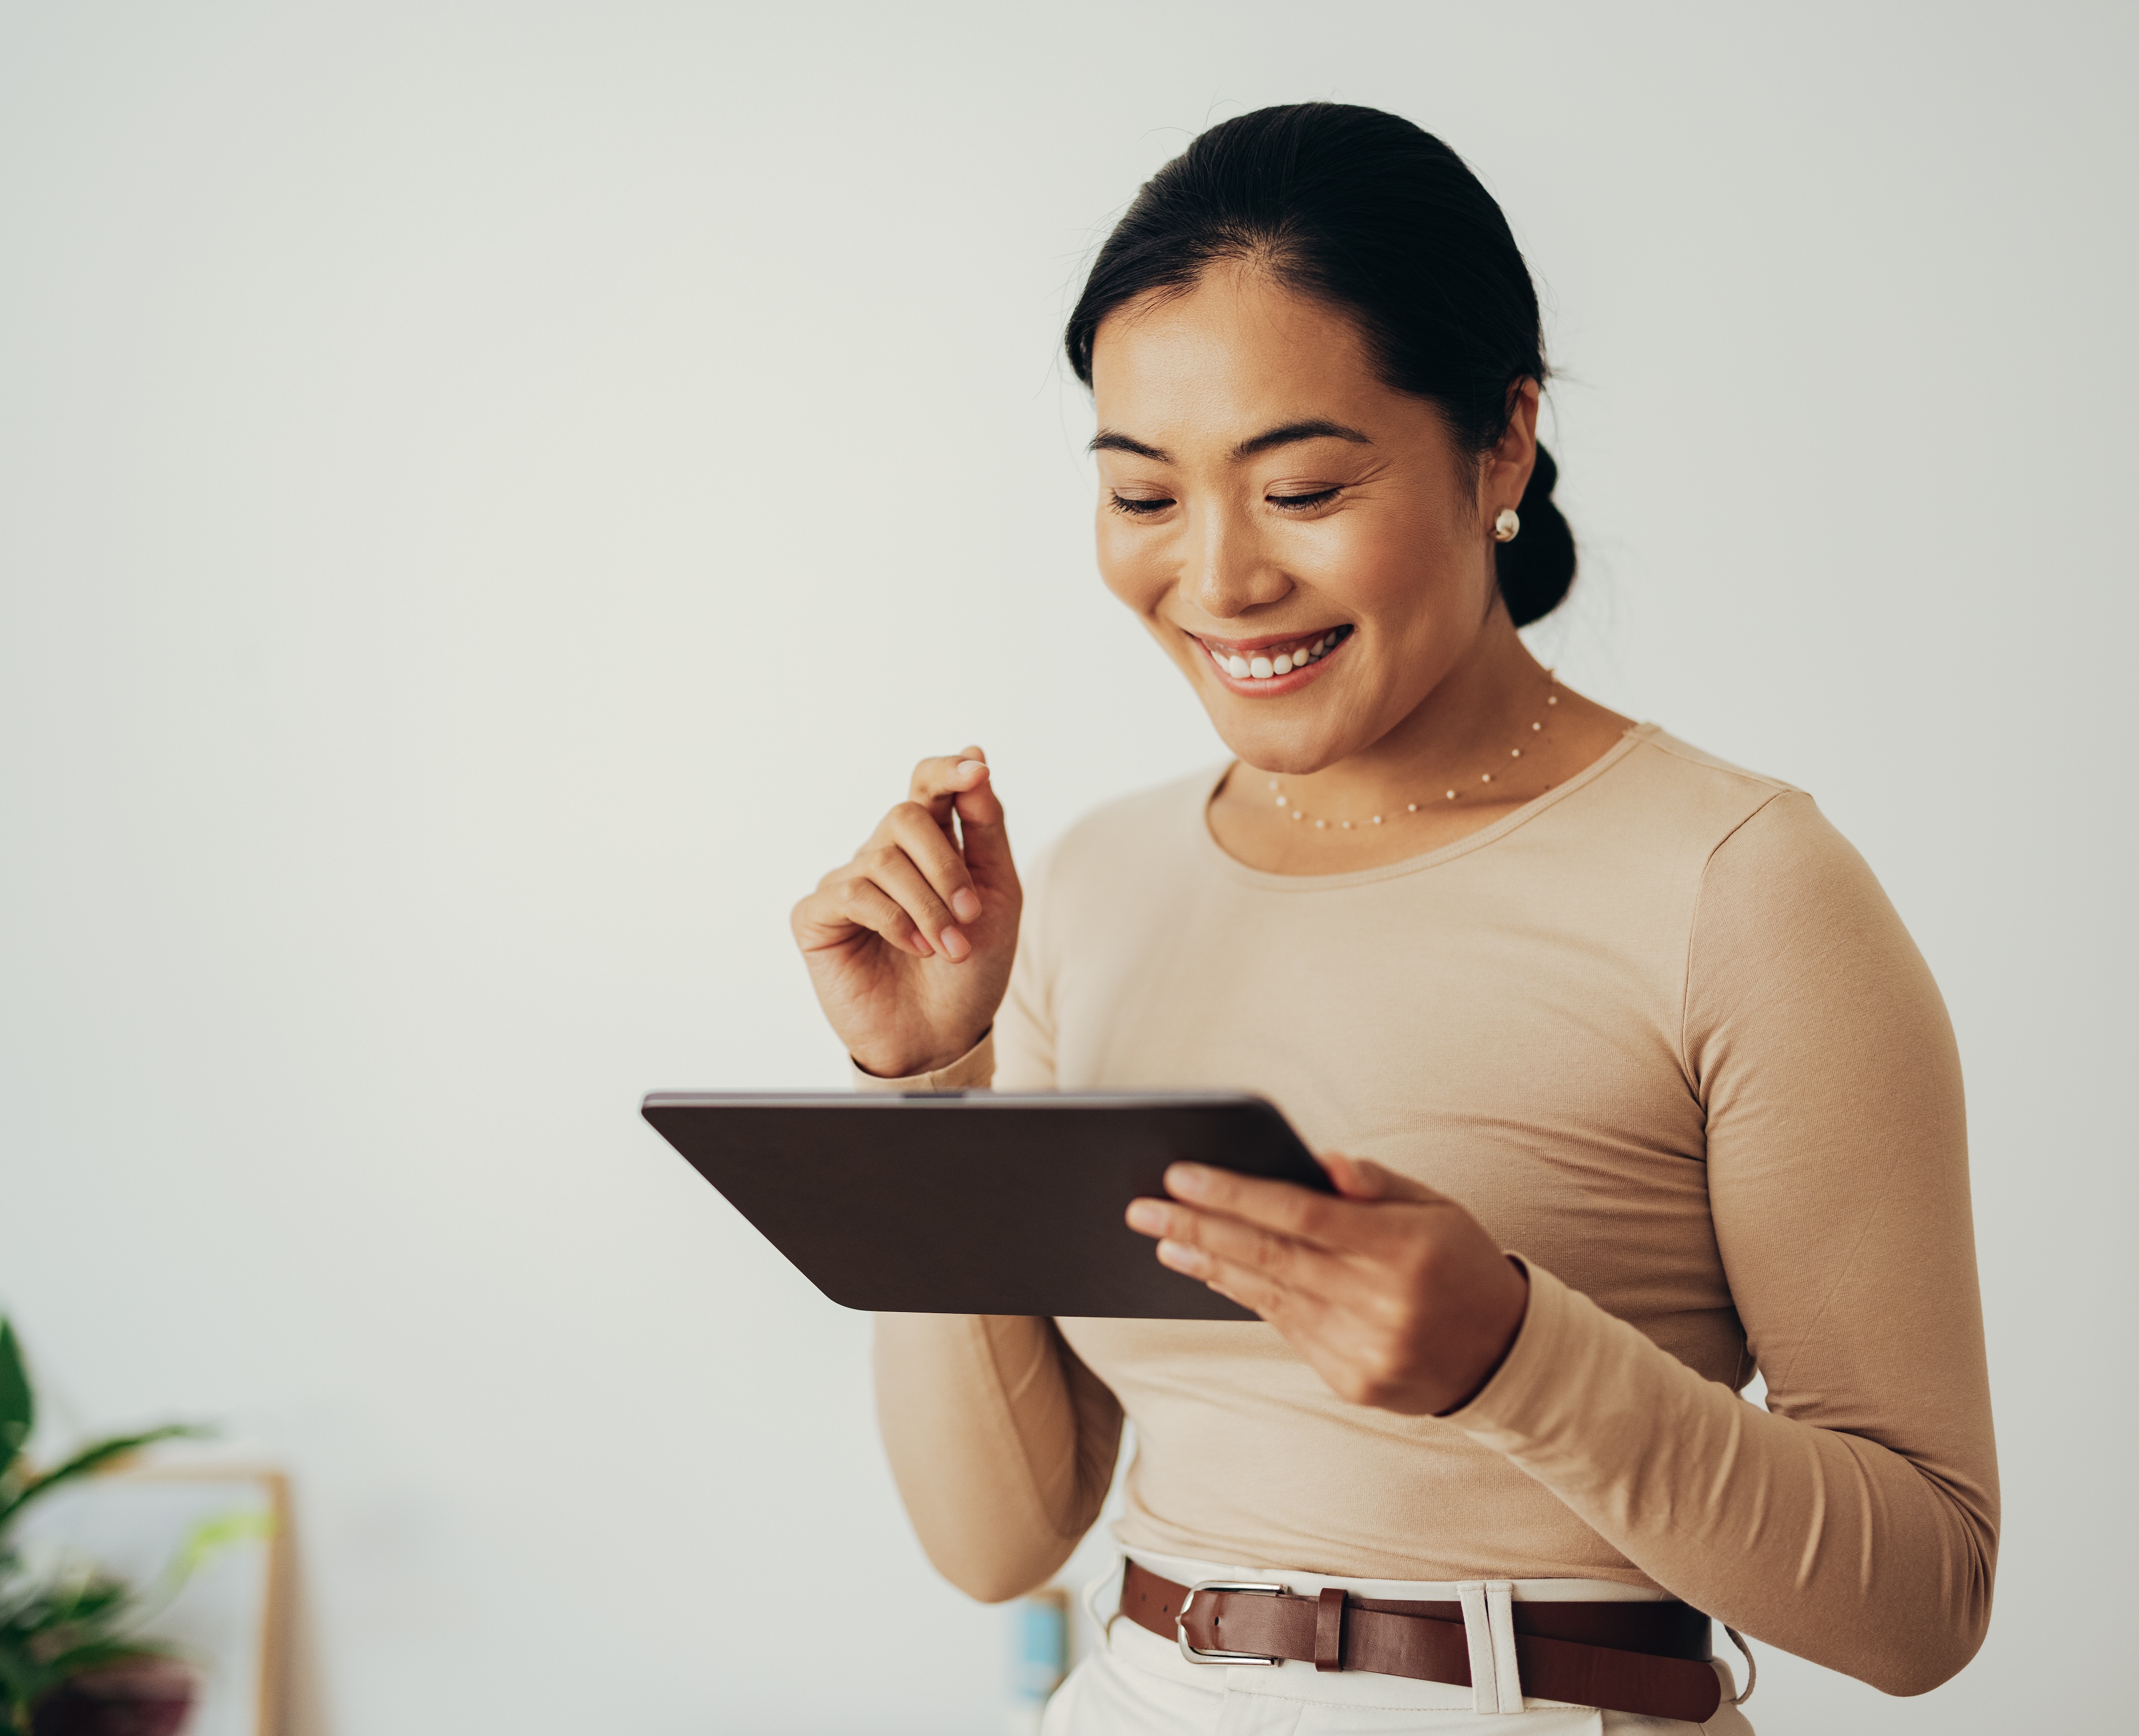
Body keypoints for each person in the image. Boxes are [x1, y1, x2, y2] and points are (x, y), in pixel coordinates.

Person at [790, 103, 1996, 1734]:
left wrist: (1514, 1356)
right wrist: (928, 1098)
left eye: (1297, 486)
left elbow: (1926, 1597)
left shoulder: (1741, 886)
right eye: (1144, 498)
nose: (1215, 580)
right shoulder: (1094, 883)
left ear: (1500, 442)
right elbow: (994, 1540)